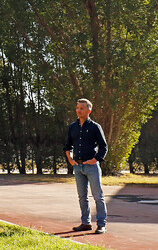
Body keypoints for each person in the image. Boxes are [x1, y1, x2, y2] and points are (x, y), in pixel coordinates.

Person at [64, 98, 108, 234]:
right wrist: (70, 160)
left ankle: (101, 224)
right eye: (77, 108)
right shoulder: (72, 127)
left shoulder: (95, 127)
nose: (78, 110)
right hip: (78, 167)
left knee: (98, 196)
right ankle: (85, 223)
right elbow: (67, 145)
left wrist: (95, 160)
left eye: (81, 108)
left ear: (89, 110)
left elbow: (104, 147)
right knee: (82, 197)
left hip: (92, 167)